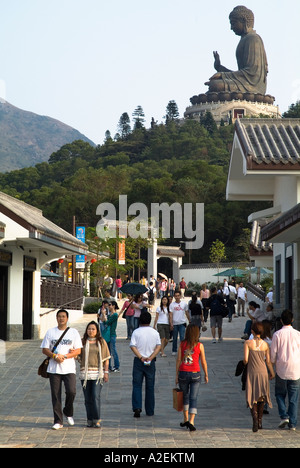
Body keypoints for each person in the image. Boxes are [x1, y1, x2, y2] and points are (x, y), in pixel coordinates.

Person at [205, 6, 268, 95]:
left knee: (215, 86)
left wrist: (223, 75)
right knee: (213, 87)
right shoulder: (245, 39)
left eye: (233, 23)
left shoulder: (253, 39)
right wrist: (219, 68)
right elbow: (242, 75)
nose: (231, 27)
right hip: (243, 82)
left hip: (252, 86)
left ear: (243, 21)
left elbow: (251, 73)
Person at [41, 309, 82, 430]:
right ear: (56, 318)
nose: (61, 318)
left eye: (63, 316)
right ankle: (58, 421)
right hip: (54, 369)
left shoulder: (73, 332)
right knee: (55, 395)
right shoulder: (50, 332)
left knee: (71, 391)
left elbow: (78, 350)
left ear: (67, 318)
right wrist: (54, 356)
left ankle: (68, 411)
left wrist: (65, 356)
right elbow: (44, 349)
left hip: (69, 368)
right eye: (59, 316)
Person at [271, 310, 300, 430]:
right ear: (292, 320)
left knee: (279, 394)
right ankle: (292, 423)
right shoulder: (298, 334)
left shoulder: (277, 334)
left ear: (281, 320)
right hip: (295, 369)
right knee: (293, 398)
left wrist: (272, 365)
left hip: (281, 368)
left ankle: (284, 416)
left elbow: (273, 354)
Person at [175, 325, 208, 431]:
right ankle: (192, 421)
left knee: (185, 396)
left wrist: (176, 375)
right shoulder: (200, 345)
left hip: (183, 373)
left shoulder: (182, 344)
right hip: (195, 373)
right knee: (193, 398)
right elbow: (203, 361)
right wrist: (206, 374)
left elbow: (179, 360)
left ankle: (185, 419)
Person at [243, 322, 275, 432]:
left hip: (252, 372)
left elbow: (246, 360)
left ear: (252, 331)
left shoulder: (248, 343)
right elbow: (269, 362)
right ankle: (260, 421)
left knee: (252, 397)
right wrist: (272, 373)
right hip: (263, 372)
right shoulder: (266, 345)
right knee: (262, 396)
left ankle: (255, 420)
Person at [79, 321, 110, 428]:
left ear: (97, 331)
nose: (90, 331)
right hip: (85, 374)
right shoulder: (82, 342)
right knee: (87, 398)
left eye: (93, 329)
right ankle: (89, 419)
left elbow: (106, 359)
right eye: (89, 329)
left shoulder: (101, 342)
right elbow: (78, 356)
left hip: (98, 374)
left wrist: (106, 372)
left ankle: (96, 419)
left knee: (95, 396)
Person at [130, 312, 161, 417]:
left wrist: (140, 357)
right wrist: (151, 357)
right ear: (149, 320)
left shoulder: (136, 332)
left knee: (137, 385)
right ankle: (150, 410)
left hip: (139, 361)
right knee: (150, 386)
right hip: (151, 361)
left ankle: (137, 407)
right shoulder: (154, 333)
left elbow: (133, 346)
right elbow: (158, 346)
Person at [169, 291, 190, 355]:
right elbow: (170, 314)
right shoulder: (172, 305)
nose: (177, 297)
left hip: (182, 323)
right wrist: (171, 323)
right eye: (176, 296)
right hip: (175, 323)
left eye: (178, 295)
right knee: (174, 338)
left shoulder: (184, 304)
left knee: (182, 337)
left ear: (180, 296)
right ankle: (174, 350)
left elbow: (187, 313)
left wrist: (189, 320)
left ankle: (182, 350)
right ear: (174, 296)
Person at [102, 301, 120, 372]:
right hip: (108, 335)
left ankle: (116, 366)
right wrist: (104, 315)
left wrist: (104, 316)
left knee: (113, 351)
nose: (108, 306)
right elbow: (104, 322)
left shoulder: (115, 315)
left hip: (112, 334)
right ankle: (109, 366)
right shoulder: (110, 315)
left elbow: (107, 322)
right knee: (108, 351)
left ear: (114, 306)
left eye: (110, 305)